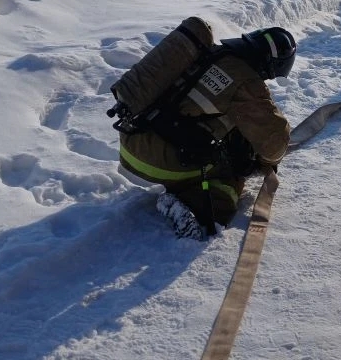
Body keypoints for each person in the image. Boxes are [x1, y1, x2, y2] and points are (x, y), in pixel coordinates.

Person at [109, 17, 294, 239]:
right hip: (156, 160)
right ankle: (191, 208)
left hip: (131, 140)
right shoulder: (247, 83)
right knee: (230, 176)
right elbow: (274, 142)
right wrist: (262, 163)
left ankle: (183, 182)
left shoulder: (207, 52)